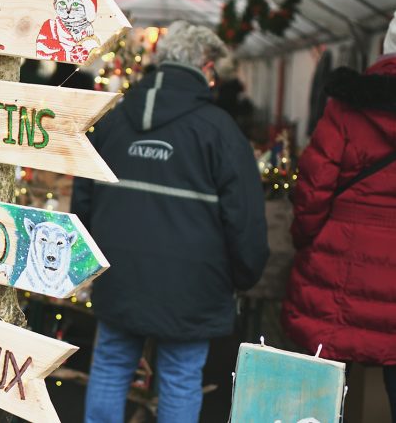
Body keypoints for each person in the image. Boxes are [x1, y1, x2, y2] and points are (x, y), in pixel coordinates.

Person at [72, 21, 269, 423]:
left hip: (119, 274)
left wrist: (88, 260)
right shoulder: (221, 132)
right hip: (193, 287)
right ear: (206, 67)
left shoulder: (112, 119)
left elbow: (83, 197)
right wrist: (245, 274)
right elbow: (244, 219)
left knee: (110, 367)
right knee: (179, 379)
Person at [282, 12, 396, 423]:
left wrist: (305, 239)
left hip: (338, 268)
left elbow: (312, 188)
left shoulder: (348, 105)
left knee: (321, 389)